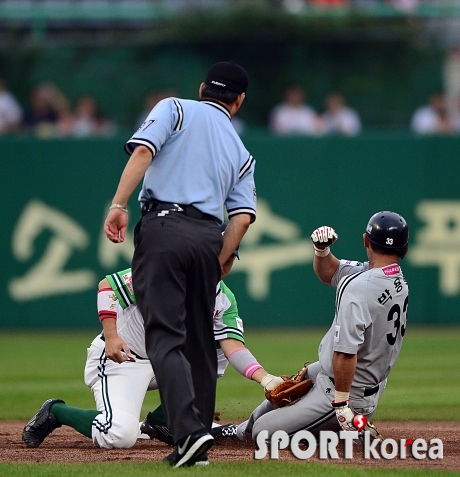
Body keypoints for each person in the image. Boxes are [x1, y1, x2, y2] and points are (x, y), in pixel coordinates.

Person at [103, 61, 257, 467]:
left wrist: (119, 204)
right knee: (201, 344)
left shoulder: (176, 108)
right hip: (209, 236)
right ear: (238, 101)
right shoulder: (242, 150)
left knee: (166, 337)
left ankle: (188, 435)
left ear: (203, 87)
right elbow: (241, 217)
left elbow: (143, 150)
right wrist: (222, 258)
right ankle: (198, 443)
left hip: (164, 227)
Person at [22, 240, 283, 458]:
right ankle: (56, 411)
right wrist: (111, 336)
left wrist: (266, 379)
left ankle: (164, 421)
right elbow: (107, 286)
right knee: (119, 435)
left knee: (210, 354)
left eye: (229, 258)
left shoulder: (223, 298)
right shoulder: (164, 272)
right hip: (123, 359)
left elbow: (232, 346)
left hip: (164, 363)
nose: (223, 265)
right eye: (218, 257)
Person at [237, 211, 409, 442]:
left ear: (366, 240)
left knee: (263, 433)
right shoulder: (393, 279)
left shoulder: (360, 287)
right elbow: (332, 272)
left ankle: (350, 432)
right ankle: (239, 431)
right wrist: (322, 251)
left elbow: (346, 353)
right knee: (298, 383)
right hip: (362, 381)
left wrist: (341, 405)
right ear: (404, 248)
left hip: (348, 391)